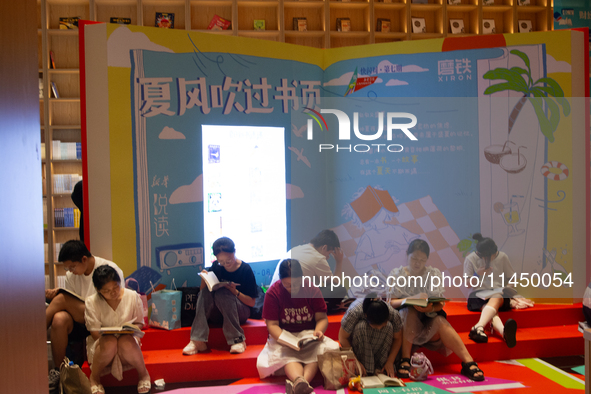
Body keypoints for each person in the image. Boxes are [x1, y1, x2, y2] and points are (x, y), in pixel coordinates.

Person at [388, 239, 485, 382]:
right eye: (414, 258)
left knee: (440, 320)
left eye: (422, 259)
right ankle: (405, 359)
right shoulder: (397, 274)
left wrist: (430, 307)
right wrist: (409, 300)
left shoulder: (432, 274)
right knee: (410, 311)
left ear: (427, 259)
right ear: (407, 255)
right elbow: (391, 302)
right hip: (404, 327)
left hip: (427, 323)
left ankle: (468, 362)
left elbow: (440, 304)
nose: (417, 263)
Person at [45, 240, 124, 392]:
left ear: (84, 259)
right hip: (82, 320)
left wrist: (62, 297)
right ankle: (61, 372)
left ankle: (31, 336)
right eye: (67, 268)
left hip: (104, 317)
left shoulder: (109, 269)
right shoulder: (71, 276)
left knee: (61, 299)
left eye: (72, 267)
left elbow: (118, 300)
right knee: (59, 319)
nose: (70, 271)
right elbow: (71, 307)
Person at [257, 259, 339, 394]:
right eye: (287, 285)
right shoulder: (273, 293)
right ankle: (301, 384)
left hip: (308, 335)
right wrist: (286, 339)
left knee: (320, 351)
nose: (293, 288)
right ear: (281, 280)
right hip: (283, 335)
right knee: (288, 356)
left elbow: (322, 318)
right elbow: (272, 325)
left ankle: (301, 385)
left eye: (296, 284)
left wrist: (318, 331)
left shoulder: (311, 289)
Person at [183, 237, 257, 355]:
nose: (225, 264)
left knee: (223, 293)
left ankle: (237, 340)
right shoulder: (217, 267)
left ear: (234, 252)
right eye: (221, 261)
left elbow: (252, 302)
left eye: (228, 260)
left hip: (240, 312)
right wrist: (204, 279)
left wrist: (235, 292)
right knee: (206, 292)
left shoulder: (245, 269)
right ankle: (197, 340)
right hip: (219, 313)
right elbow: (204, 296)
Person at [85, 265, 150, 394]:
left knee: (125, 340)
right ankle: (95, 378)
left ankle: (143, 374)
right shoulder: (92, 302)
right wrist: (112, 342)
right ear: (98, 290)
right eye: (107, 291)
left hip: (128, 343)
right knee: (109, 342)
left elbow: (139, 322)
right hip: (103, 347)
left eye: (116, 287)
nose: (113, 292)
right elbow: (94, 332)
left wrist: (130, 330)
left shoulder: (132, 296)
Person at [270, 229, 348, 312]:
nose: (328, 258)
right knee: (340, 290)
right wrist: (339, 261)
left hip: (273, 299)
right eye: (329, 254)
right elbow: (335, 284)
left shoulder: (295, 249)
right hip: (291, 302)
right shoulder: (318, 257)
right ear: (324, 247)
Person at [463, 233, 518, 348]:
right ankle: (504, 333)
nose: (488, 259)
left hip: (498, 293)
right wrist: (477, 274)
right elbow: (467, 284)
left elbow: (512, 277)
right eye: (485, 257)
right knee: (491, 310)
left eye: (492, 255)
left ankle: (478, 327)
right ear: (480, 254)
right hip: (477, 295)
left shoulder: (502, 256)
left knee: (495, 297)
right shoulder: (470, 259)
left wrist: (508, 287)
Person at [339, 294, 403, 377]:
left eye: (382, 326)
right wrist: (355, 361)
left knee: (389, 327)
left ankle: (381, 368)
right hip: (360, 345)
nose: (379, 329)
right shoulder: (354, 312)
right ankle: (365, 370)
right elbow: (342, 337)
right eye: (376, 326)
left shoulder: (393, 314)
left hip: (381, 347)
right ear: (366, 316)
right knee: (361, 327)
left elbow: (398, 338)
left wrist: (390, 361)